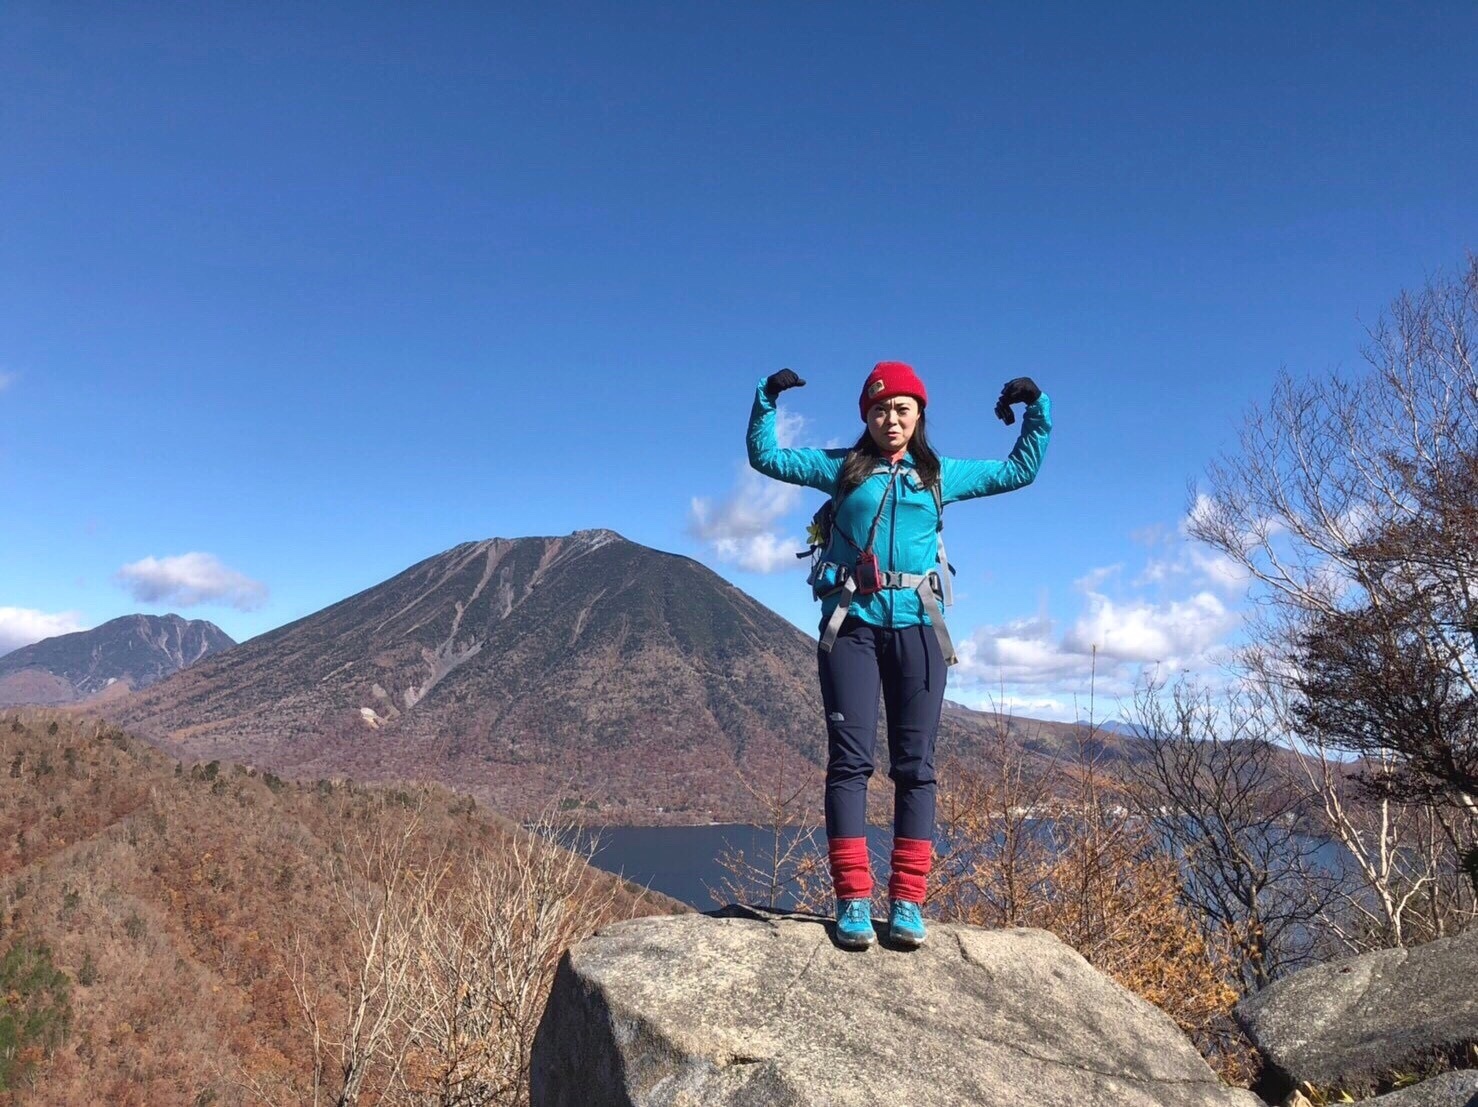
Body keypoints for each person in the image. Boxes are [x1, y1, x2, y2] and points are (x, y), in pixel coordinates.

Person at [747, 361, 1052, 949]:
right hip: (853, 626)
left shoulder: (939, 476)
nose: (891, 418)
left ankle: (908, 903)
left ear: (918, 416)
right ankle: (854, 900)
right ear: (867, 414)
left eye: (902, 409)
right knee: (850, 763)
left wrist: (1035, 408)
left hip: (918, 628)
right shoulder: (840, 469)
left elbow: (1020, 470)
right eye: (881, 408)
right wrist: (766, 399)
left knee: (916, 769)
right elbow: (767, 458)